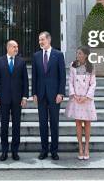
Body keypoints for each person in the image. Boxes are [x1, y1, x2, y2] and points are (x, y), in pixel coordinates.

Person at [0, 39, 29, 161]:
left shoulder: (21, 62)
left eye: (17, 47)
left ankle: (15, 151)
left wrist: (24, 97)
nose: (16, 49)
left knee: (16, 126)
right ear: (8, 48)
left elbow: (25, 81)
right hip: (4, 99)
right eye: (14, 47)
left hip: (17, 99)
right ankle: (4, 151)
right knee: (4, 126)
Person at [31, 31, 65, 160]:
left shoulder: (58, 55)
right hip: (40, 95)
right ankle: (44, 150)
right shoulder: (36, 56)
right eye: (39, 40)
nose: (40, 42)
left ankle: (54, 151)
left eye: (42, 39)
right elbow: (34, 76)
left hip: (54, 95)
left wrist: (61, 93)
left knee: (54, 123)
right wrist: (34, 93)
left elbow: (62, 76)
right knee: (42, 123)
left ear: (49, 40)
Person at [65, 46, 97, 160]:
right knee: (78, 122)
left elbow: (93, 83)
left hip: (86, 100)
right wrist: (74, 95)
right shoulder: (73, 65)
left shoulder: (91, 67)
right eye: (77, 53)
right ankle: (80, 147)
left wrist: (87, 96)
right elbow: (70, 81)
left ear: (85, 55)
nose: (77, 55)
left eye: (80, 53)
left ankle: (87, 147)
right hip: (76, 98)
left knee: (87, 123)